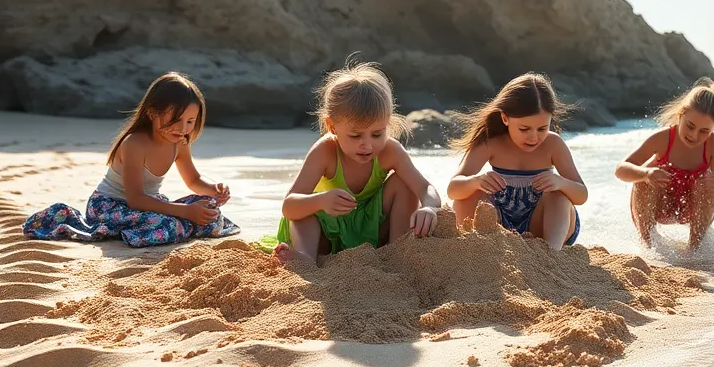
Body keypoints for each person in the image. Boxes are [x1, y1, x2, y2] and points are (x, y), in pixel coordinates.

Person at [23, 72, 239, 247]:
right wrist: (184, 211)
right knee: (169, 223)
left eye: (190, 121)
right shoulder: (134, 144)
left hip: (149, 205)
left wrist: (214, 190)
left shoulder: (180, 142)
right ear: (152, 113)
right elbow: (136, 199)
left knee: (209, 208)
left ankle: (177, 223)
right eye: (175, 119)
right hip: (110, 206)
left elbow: (193, 180)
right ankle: (157, 228)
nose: (183, 128)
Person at [266, 63, 442, 264]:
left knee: (404, 183)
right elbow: (289, 206)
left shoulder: (390, 151)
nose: (367, 145)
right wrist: (321, 201)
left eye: (377, 134)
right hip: (328, 235)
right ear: (332, 126)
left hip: (371, 228)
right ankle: (305, 259)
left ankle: (397, 251)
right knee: (304, 209)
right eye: (355, 135)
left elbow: (425, 187)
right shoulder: (325, 152)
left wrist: (429, 207)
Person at [446, 73, 587, 251]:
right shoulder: (490, 143)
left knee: (558, 196)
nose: (533, 137)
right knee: (468, 194)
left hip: (544, 225)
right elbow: (453, 190)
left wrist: (560, 182)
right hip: (499, 223)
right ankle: (478, 247)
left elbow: (581, 194)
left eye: (542, 128)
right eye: (524, 129)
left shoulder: (554, 144)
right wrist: (476, 181)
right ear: (505, 118)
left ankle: (552, 254)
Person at [616, 78, 714, 249]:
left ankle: (694, 249)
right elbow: (620, 170)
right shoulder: (663, 139)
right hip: (659, 204)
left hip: (692, 207)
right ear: (680, 115)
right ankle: (648, 246)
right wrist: (645, 174)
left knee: (708, 185)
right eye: (690, 126)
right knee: (644, 179)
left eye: (704, 131)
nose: (694, 135)